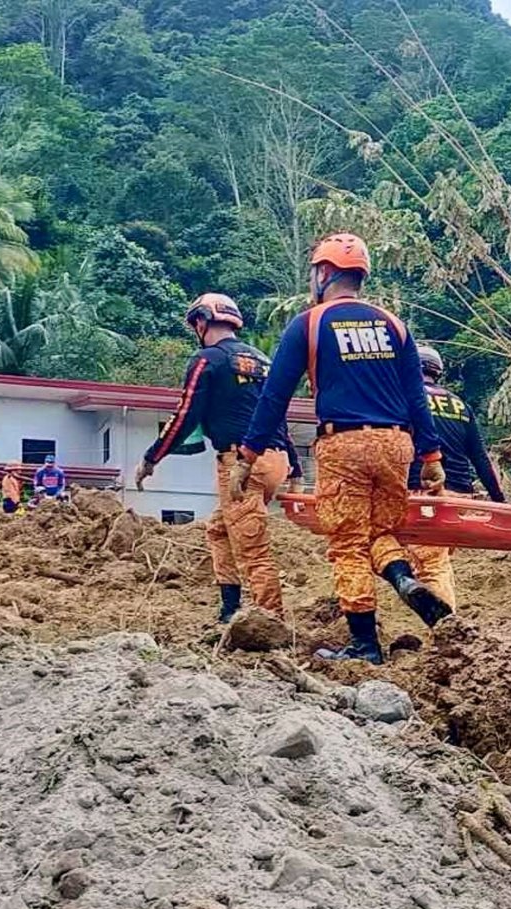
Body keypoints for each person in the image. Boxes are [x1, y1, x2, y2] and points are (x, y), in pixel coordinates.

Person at [237, 232, 448, 664]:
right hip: (396, 444)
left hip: (343, 443)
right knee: (379, 531)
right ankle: (403, 577)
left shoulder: (310, 323)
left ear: (323, 272)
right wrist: (432, 459)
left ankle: (365, 646)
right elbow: (416, 399)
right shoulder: (395, 325)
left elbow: (274, 397)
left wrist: (249, 454)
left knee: (348, 542)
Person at [134, 293, 303, 622]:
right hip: (275, 460)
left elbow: (186, 414)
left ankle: (271, 621)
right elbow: (276, 412)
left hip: (241, 465)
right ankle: (229, 608)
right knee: (219, 530)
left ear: (201, 322)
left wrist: (151, 458)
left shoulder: (207, 359)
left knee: (252, 547)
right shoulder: (262, 361)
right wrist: (294, 462)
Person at [404, 344, 505, 609]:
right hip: (459, 495)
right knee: (432, 560)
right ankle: (434, 624)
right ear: (439, 372)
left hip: (424, 493)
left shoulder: (405, 399)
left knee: (431, 566)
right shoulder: (460, 405)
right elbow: (480, 459)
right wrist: (499, 501)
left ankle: (448, 630)